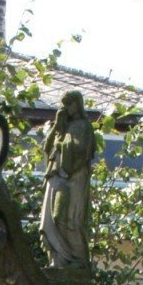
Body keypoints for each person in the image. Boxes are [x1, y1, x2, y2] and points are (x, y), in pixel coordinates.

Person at [39, 89, 94, 266]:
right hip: (55, 175)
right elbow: (46, 148)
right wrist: (57, 126)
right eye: (64, 105)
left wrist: (61, 145)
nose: (66, 108)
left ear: (78, 104)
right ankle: (58, 260)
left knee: (70, 218)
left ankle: (77, 259)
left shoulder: (83, 126)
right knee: (52, 220)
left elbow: (81, 150)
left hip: (73, 177)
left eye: (69, 104)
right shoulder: (62, 126)